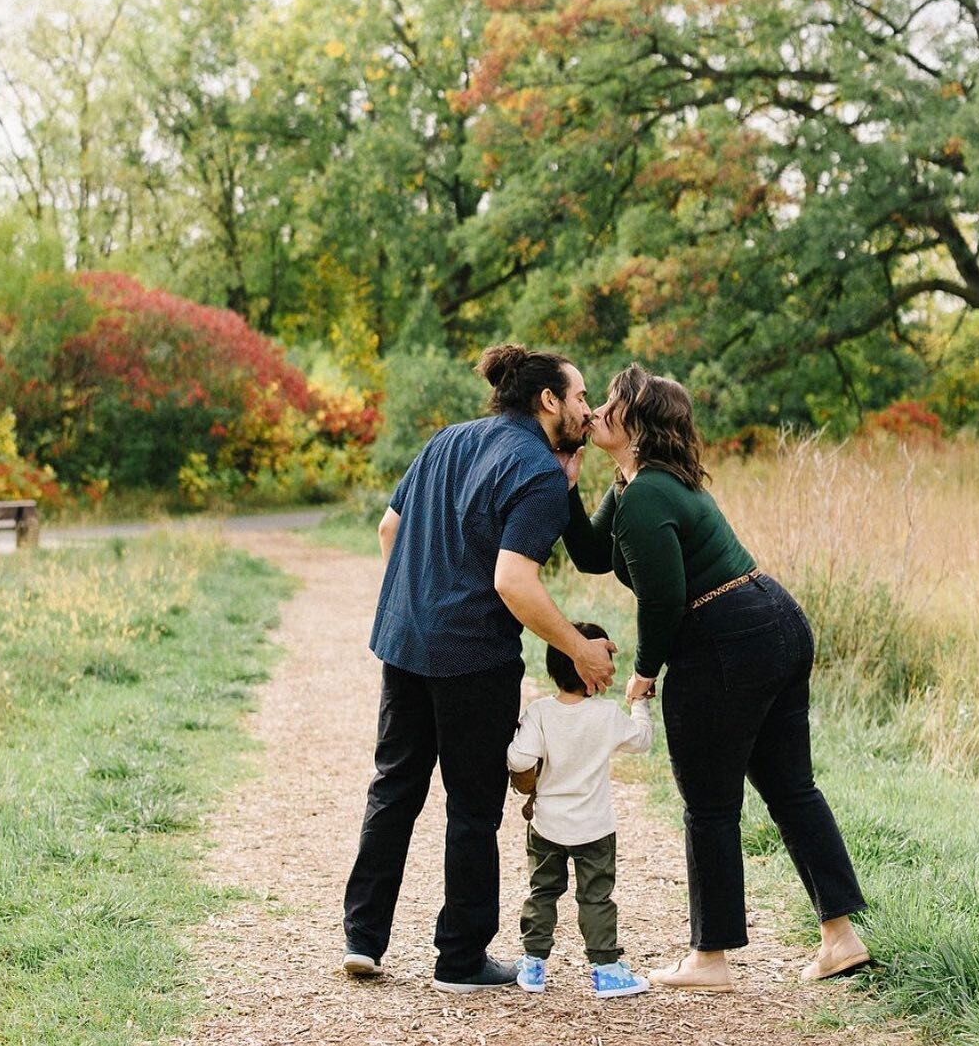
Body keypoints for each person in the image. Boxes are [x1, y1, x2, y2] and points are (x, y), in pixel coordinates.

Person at [560, 363, 870, 993]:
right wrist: (568, 484)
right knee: (791, 788)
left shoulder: (647, 492)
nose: (595, 410)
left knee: (708, 803)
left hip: (728, 639)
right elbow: (594, 556)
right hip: (774, 621)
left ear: (637, 423)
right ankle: (841, 937)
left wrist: (644, 674)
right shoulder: (638, 487)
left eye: (610, 401)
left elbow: (663, 601)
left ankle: (711, 959)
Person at [342, 344, 618, 994]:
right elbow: (513, 581)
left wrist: (415, 601)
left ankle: (362, 936)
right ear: (547, 399)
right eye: (580, 396)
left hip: (405, 643)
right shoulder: (535, 470)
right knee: (471, 808)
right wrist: (578, 648)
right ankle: (459, 959)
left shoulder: (448, 440)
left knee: (394, 788)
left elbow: (389, 528)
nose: (587, 407)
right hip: (472, 657)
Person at [507, 621, 653, 999]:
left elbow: (519, 757)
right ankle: (605, 970)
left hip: (547, 826)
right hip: (595, 828)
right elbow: (642, 740)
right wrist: (640, 703)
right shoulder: (606, 716)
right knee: (596, 898)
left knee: (542, 893)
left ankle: (533, 966)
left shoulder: (540, 712)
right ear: (593, 673)